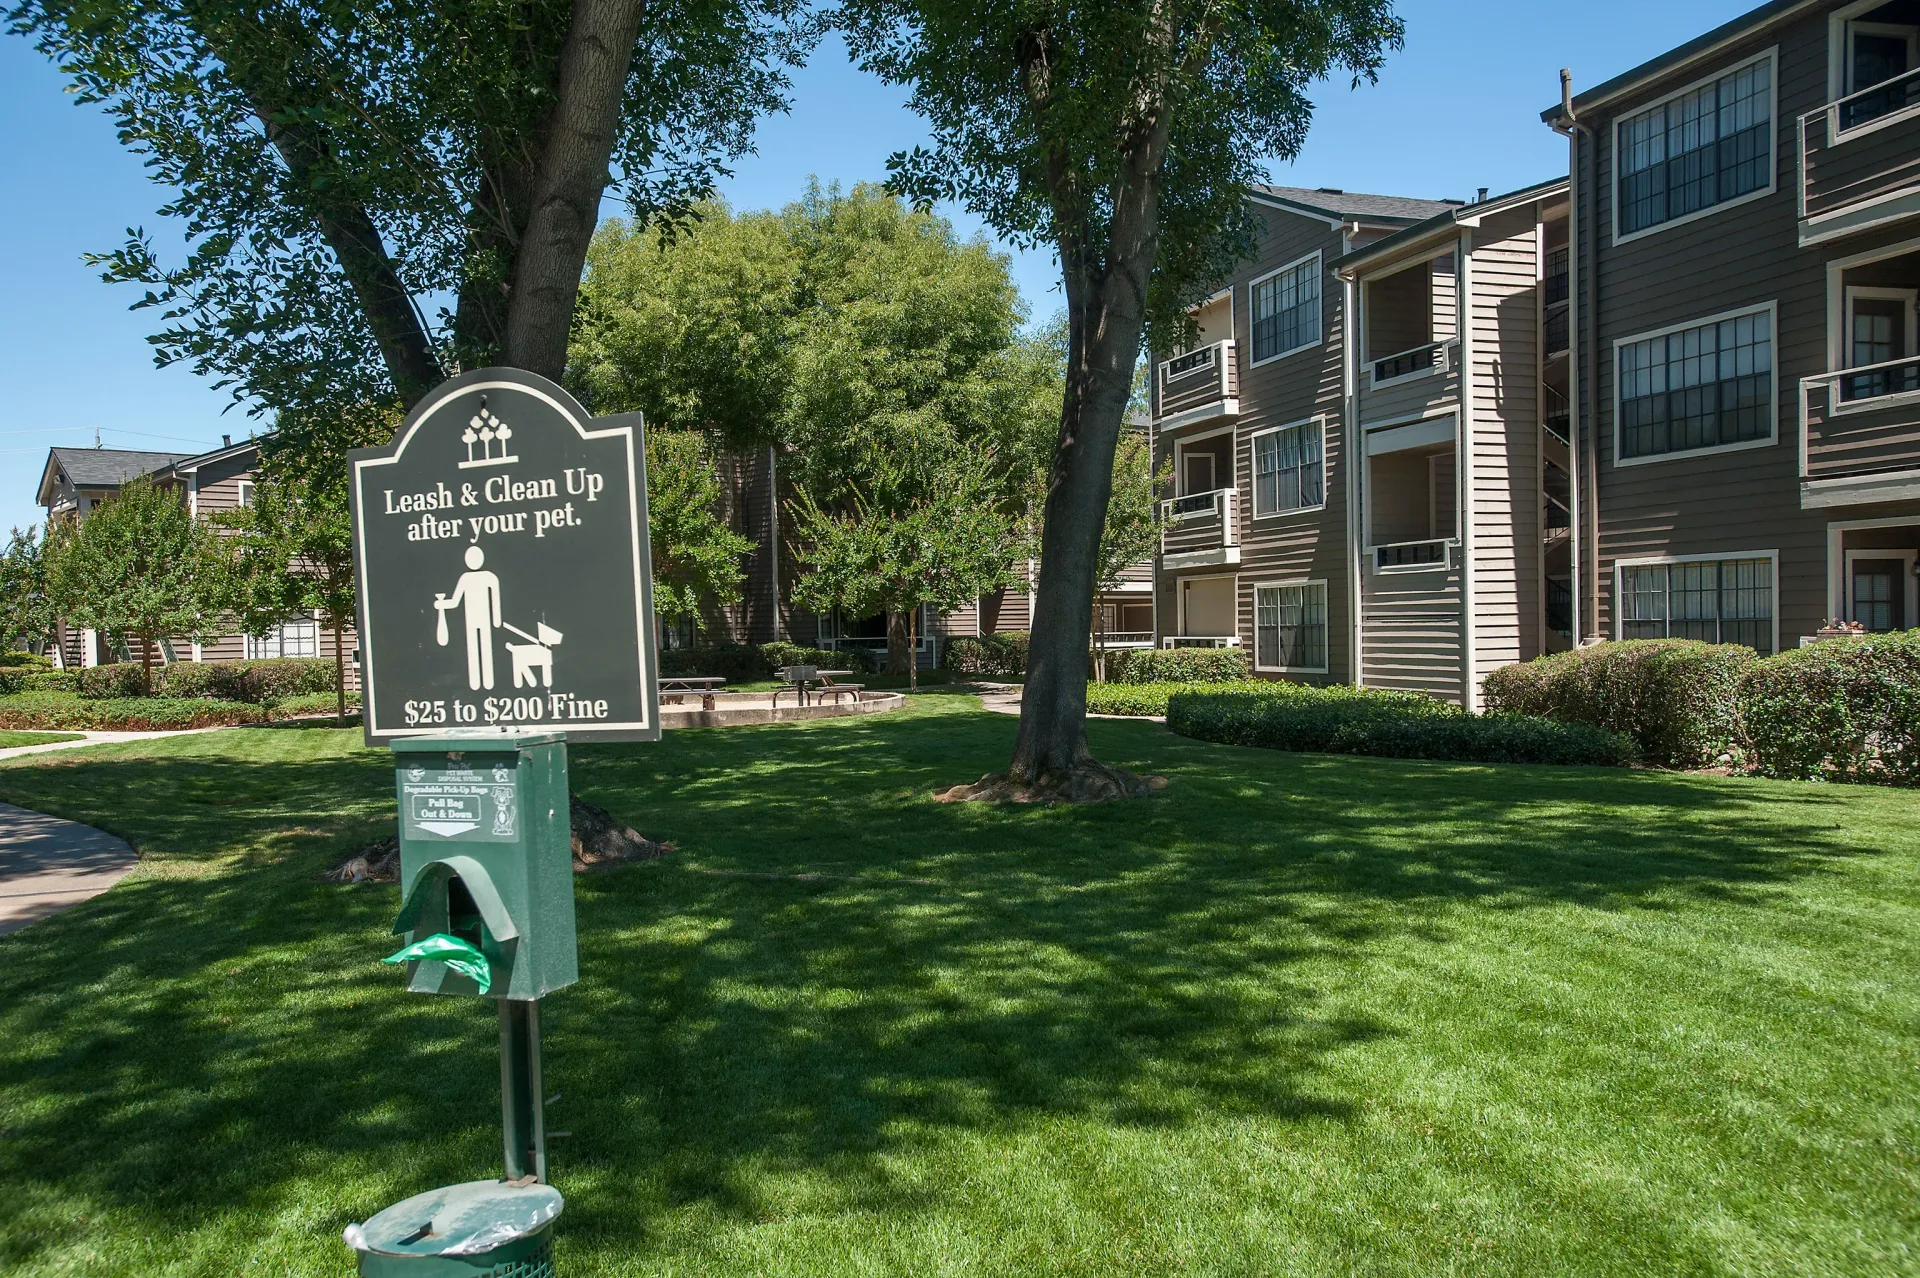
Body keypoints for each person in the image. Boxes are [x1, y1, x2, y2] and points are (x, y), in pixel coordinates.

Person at [436, 545, 503, 690]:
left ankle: (488, 682)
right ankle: (475, 683)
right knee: (473, 648)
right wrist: (442, 604)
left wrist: (497, 619)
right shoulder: (465, 578)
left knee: (485, 648)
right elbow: (455, 601)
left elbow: (495, 598)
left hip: (484, 619)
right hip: (471, 620)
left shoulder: (489, 577)